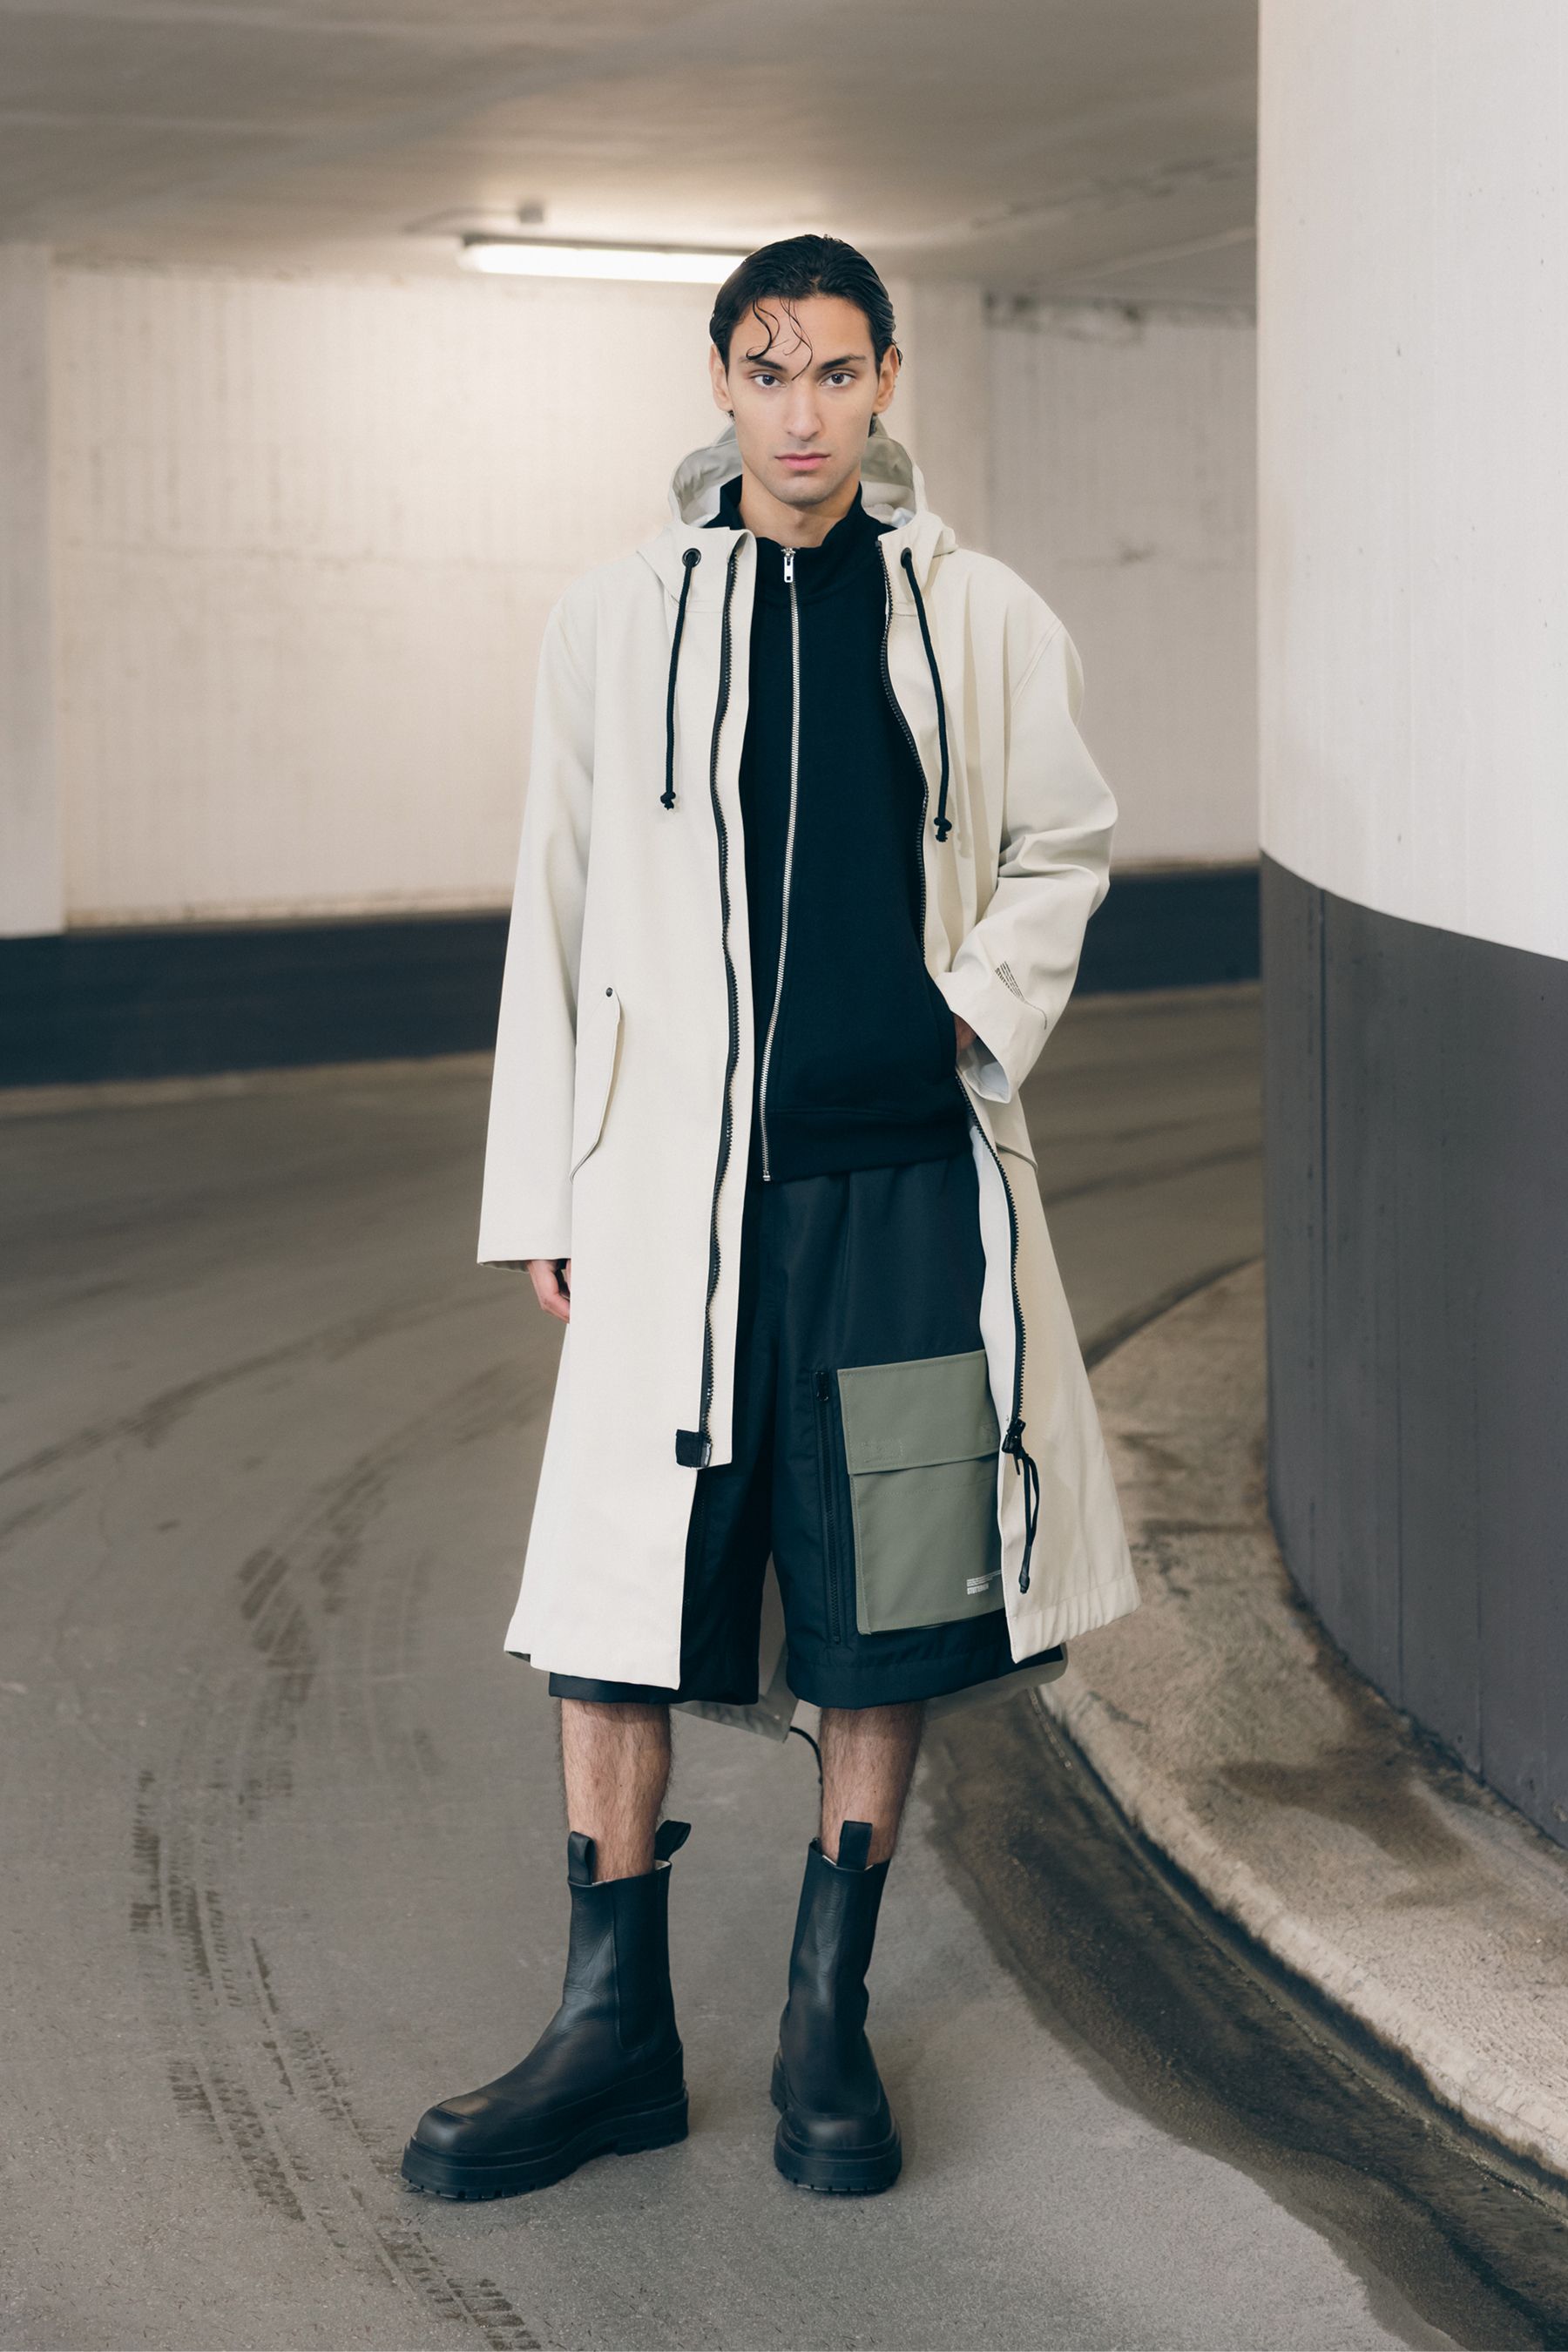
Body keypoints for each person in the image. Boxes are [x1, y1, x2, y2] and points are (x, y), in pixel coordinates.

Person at [401, 234, 1139, 2203]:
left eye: (833, 371)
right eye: (765, 368)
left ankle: (828, 2017)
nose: (800, 411)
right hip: (675, 1196)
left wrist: (965, 1017)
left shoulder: (978, 613)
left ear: (886, 378)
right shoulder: (617, 618)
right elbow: (556, 897)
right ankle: (611, 2037)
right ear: (719, 383)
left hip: (904, 1200)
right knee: (617, 1603)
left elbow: (1065, 842)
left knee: (886, 1608)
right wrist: (542, 1181)